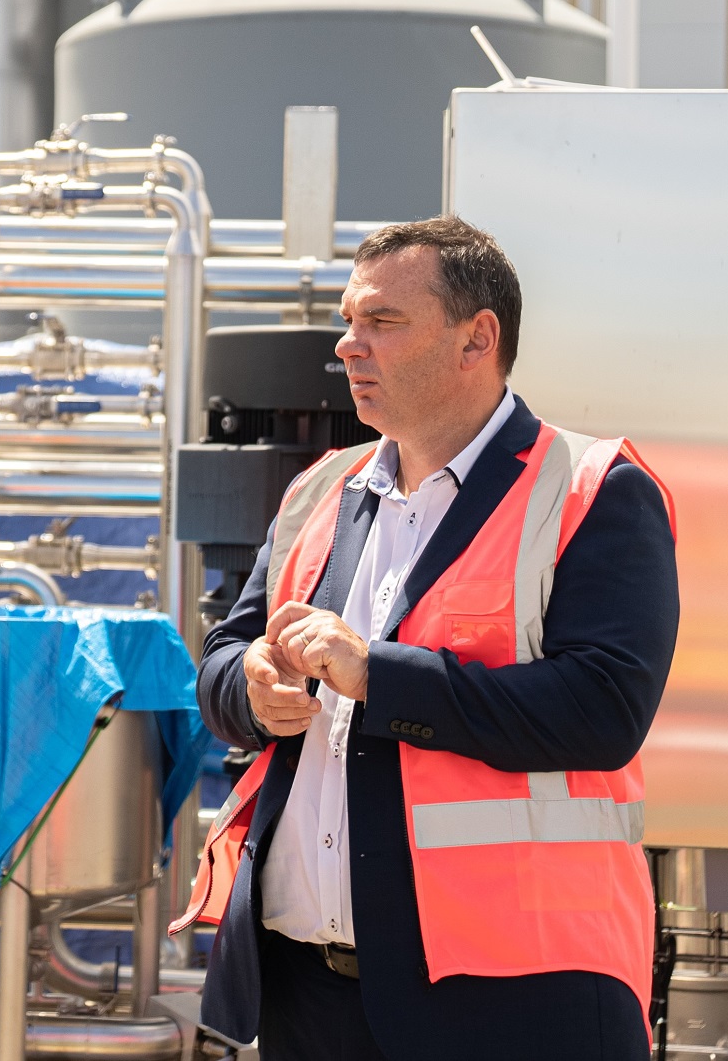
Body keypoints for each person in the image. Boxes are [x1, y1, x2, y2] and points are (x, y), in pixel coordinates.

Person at [181, 216, 681, 1061]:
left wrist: (379, 674)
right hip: (308, 995)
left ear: (476, 338)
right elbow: (223, 659)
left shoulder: (595, 489)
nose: (348, 345)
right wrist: (254, 686)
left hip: (518, 997)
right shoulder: (321, 489)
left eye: (382, 321)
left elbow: (601, 710)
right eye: (349, 320)